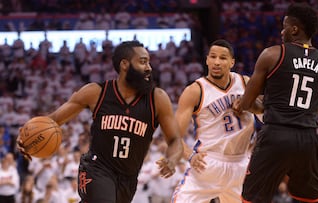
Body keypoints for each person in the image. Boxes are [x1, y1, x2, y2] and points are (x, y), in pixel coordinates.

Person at [16, 40, 183, 203]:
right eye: (142, 62)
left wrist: (173, 159)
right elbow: (52, 120)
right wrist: (27, 134)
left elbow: (175, 140)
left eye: (148, 62)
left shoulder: (157, 99)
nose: (149, 68)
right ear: (124, 65)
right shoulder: (96, 92)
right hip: (96, 169)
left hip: (128, 179)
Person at [232, 3, 318, 203]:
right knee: (309, 200)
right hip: (309, 138)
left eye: (285, 26)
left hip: (276, 135)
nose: (281, 31)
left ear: (294, 29)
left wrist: (240, 104)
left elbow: (247, 103)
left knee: (252, 199)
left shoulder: (273, 54)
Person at [171, 39, 262, 203]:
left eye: (223, 58)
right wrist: (190, 156)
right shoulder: (195, 91)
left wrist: (250, 106)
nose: (217, 62)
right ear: (207, 60)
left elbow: (266, 114)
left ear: (232, 62)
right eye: (213, 57)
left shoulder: (246, 83)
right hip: (208, 164)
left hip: (241, 164)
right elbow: (174, 135)